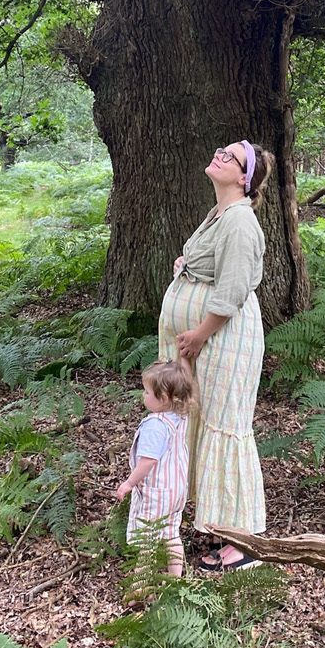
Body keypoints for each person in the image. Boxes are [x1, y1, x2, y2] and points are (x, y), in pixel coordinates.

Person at [162, 139, 274, 571]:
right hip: (205, 341)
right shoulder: (219, 215)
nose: (220, 156)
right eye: (221, 151)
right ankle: (217, 524)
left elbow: (231, 291)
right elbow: (213, 268)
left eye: (232, 157)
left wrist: (201, 335)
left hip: (223, 340)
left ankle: (244, 542)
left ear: (245, 180)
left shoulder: (242, 222)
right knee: (204, 421)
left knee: (225, 426)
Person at [114, 359, 194, 582]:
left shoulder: (155, 426)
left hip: (157, 492)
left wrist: (129, 483)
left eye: (147, 392)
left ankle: (140, 584)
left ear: (164, 398)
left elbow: (148, 461)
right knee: (171, 534)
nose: (144, 396)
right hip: (177, 489)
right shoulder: (178, 417)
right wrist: (185, 362)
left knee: (146, 540)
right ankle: (176, 579)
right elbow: (184, 384)